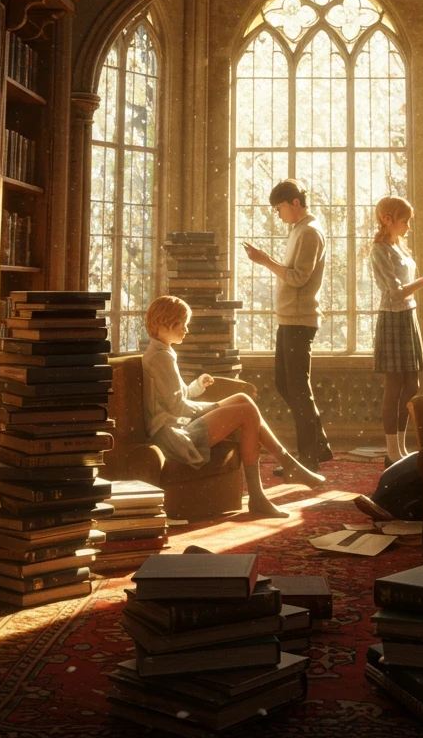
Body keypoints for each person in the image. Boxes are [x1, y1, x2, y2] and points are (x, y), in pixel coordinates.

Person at [141, 294, 324, 519]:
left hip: (175, 427)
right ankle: (270, 484)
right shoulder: (161, 358)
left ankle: (282, 472)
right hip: (173, 436)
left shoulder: (163, 353)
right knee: (246, 411)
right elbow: (178, 408)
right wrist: (216, 406)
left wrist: (198, 386)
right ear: (163, 323)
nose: (186, 330)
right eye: (182, 324)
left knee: (242, 399)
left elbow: (175, 397)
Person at [242, 179, 332, 472]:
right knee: (286, 384)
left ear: (296, 203)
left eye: (279, 208)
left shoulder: (309, 232)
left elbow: (297, 278)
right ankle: (318, 446)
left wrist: (265, 261)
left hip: (299, 320)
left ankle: (309, 458)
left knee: (297, 388)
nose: (277, 214)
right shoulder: (297, 230)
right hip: (288, 318)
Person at [369, 195, 423, 466]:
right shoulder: (379, 250)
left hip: (408, 317)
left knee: (412, 385)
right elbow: (395, 293)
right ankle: (391, 450)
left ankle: (400, 448)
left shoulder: (400, 248)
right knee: (394, 387)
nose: (407, 227)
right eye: (404, 221)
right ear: (387, 219)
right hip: (393, 318)